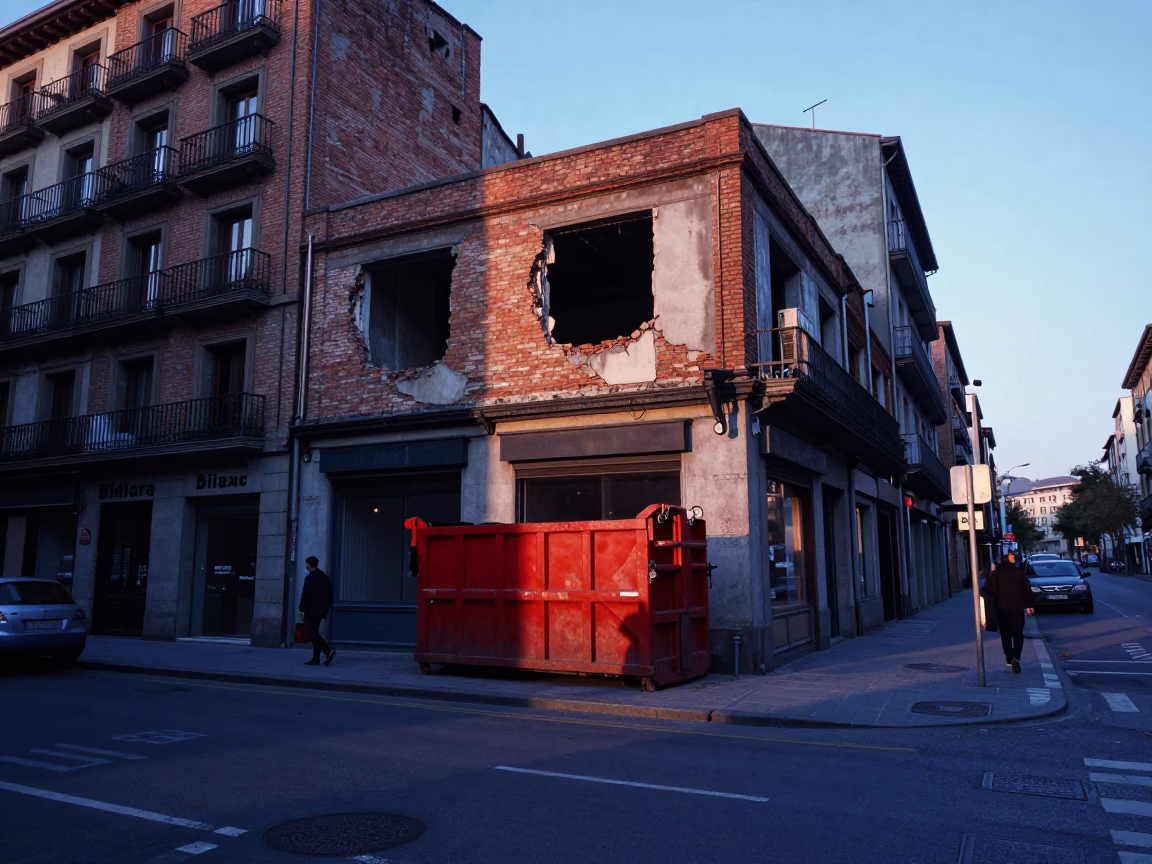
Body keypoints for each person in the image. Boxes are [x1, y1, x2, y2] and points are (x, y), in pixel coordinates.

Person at [983, 553, 1034, 673]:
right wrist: (1029, 606)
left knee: (1005, 635)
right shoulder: (1019, 573)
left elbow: (987, 590)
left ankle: (1009, 659)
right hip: (1017, 608)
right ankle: (1017, 657)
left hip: (1001, 608)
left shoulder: (996, 574)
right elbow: (1027, 590)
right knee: (1018, 634)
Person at [299, 555, 335, 666]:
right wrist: (328, 607)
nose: (306, 566)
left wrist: (301, 609)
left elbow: (305, 595)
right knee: (314, 632)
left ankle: (327, 651)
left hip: (310, 610)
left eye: (306, 564)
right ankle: (316, 658)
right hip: (320, 610)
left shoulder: (309, 578)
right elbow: (330, 594)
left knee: (313, 633)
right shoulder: (324, 577)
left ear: (309, 564)